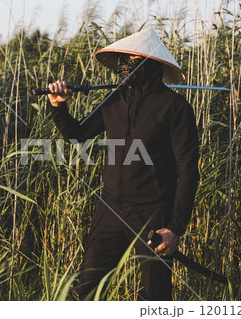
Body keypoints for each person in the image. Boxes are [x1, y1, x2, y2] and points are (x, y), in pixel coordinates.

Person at [46, 28, 200, 300]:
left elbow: (188, 170)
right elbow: (77, 135)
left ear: (151, 64)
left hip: (152, 214)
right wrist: (58, 107)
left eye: (132, 59)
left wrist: (175, 227)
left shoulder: (175, 108)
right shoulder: (113, 100)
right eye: (123, 60)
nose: (124, 66)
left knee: (156, 296)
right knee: (87, 291)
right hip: (109, 210)